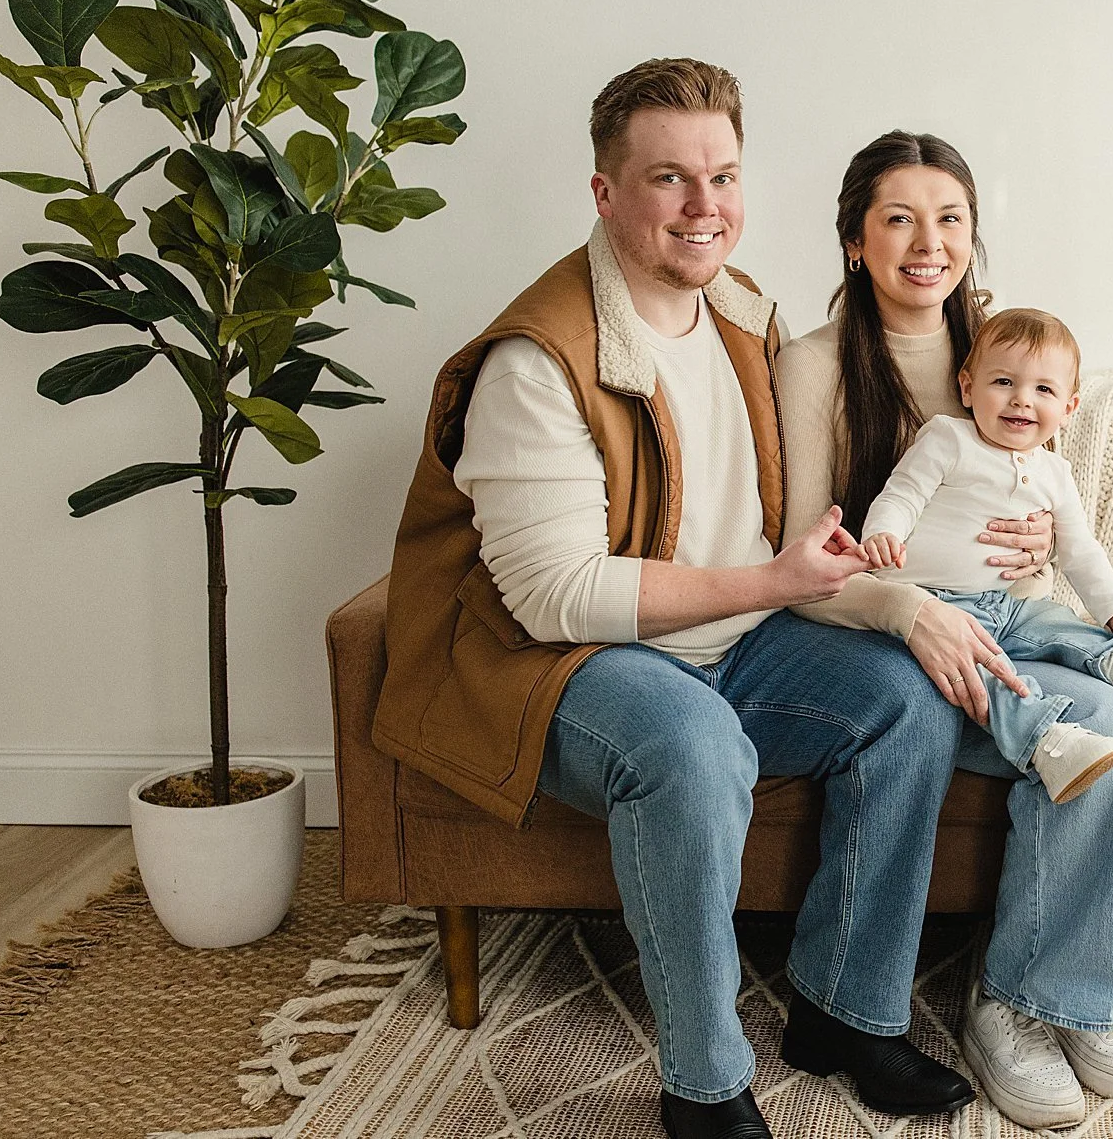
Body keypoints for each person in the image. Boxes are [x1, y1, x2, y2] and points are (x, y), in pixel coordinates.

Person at [375, 62, 990, 1139]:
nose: (704, 206)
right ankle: (703, 1085)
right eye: (669, 178)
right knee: (694, 745)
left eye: (722, 175)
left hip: (734, 639)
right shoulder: (536, 360)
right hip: (562, 662)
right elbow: (554, 594)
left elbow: (815, 481)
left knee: (906, 697)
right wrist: (773, 580)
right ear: (606, 193)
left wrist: (987, 528)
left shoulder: (744, 313)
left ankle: (844, 1013)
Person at [777, 131, 1113, 1130]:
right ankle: (1025, 1004)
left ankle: (1067, 975)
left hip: (1021, 617)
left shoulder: (998, 345)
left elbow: (1047, 496)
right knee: (1102, 736)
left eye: (948, 218)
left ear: (972, 237)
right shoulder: (814, 365)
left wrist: (1035, 548)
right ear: (854, 240)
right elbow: (803, 564)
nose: (926, 241)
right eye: (897, 217)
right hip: (896, 633)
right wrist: (914, 605)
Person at [857, 307, 1113, 804]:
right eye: (1003, 381)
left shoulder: (1055, 474)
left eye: (1044, 389)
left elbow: (1081, 550)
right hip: (933, 605)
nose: (1021, 399)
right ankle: (1047, 741)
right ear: (967, 388)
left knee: (1056, 623)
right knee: (983, 674)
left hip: (1003, 604)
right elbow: (902, 494)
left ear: (1069, 407)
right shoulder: (948, 438)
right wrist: (883, 533)